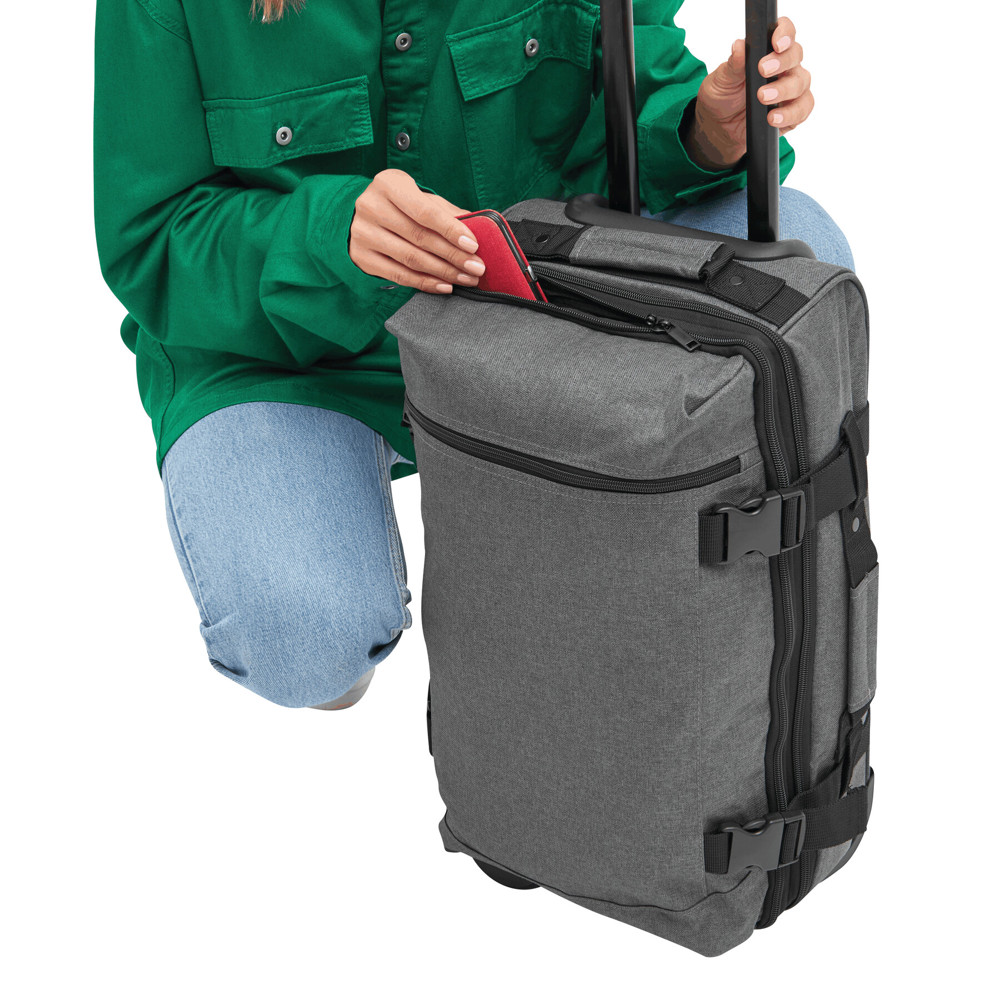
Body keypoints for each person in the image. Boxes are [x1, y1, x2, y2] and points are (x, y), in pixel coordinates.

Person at [94, 0, 850, 711]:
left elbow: (627, 104)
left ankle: (633, 515)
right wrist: (327, 235)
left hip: (537, 302)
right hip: (286, 354)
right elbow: (151, 233)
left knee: (803, 258)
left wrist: (702, 132)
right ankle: (351, 579)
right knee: (302, 638)